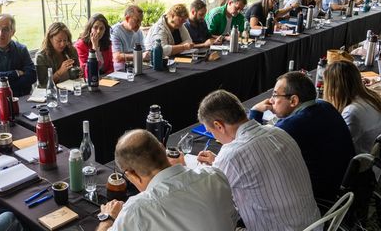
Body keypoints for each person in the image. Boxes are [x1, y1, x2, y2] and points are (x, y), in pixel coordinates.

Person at [191, 90, 320, 231]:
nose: (214, 135)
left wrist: (180, 169)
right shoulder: (279, 132)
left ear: (219, 126)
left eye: (211, 132)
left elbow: (208, 203)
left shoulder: (231, 156)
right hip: (315, 225)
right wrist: (219, 163)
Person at [96, 129, 238, 231]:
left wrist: (107, 218)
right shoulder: (214, 175)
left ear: (131, 175)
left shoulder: (137, 210)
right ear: (163, 149)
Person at [249, 72, 355, 202]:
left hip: (320, 196)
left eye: (275, 95)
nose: (271, 100)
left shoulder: (291, 126)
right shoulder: (325, 105)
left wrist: (255, 112)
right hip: (347, 184)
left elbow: (253, 149)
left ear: (293, 100)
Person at [323, 60, 381, 154]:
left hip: (362, 164)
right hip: (377, 158)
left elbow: (337, 146)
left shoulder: (351, 111)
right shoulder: (371, 97)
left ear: (334, 87)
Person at [110, 5, 145, 71]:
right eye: (136, 21)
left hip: (136, 68)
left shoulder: (139, 32)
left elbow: (143, 51)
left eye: (140, 21)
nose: (139, 25)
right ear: (127, 18)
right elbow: (117, 57)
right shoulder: (115, 32)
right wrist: (138, 56)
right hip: (120, 71)